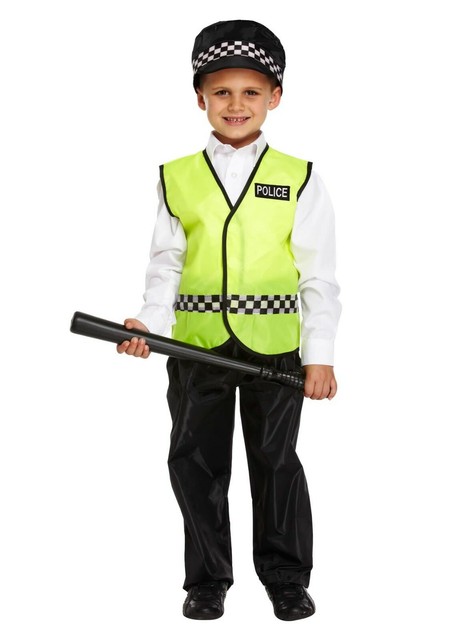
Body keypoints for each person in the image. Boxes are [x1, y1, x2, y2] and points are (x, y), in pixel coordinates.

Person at [117, 19, 341, 621]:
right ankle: (207, 579)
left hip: (275, 348)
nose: (235, 104)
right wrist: (149, 324)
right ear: (200, 98)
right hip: (196, 349)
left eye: (250, 92)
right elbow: (166, 263)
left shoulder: (299, 177)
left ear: (275, 97)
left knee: (277, 464)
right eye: (221, 92)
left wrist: (320, 353)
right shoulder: (177, 176)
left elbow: (318, 274)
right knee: (196, 463)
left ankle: (286, 578)